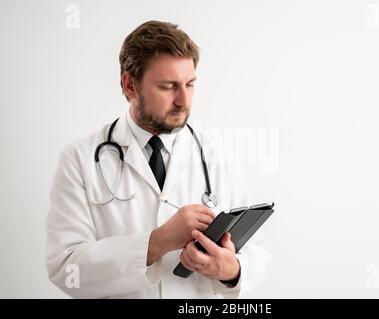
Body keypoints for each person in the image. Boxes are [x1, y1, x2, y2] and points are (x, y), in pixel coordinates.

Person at [46, 20, 271, 299]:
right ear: (129, 85)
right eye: (168, 86)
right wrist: (158, 242)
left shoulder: (216, 155)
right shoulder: (79, 160)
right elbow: (66, 268)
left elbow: (257, 250)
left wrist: (230, 269)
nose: (183, 101)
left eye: (190, 84)